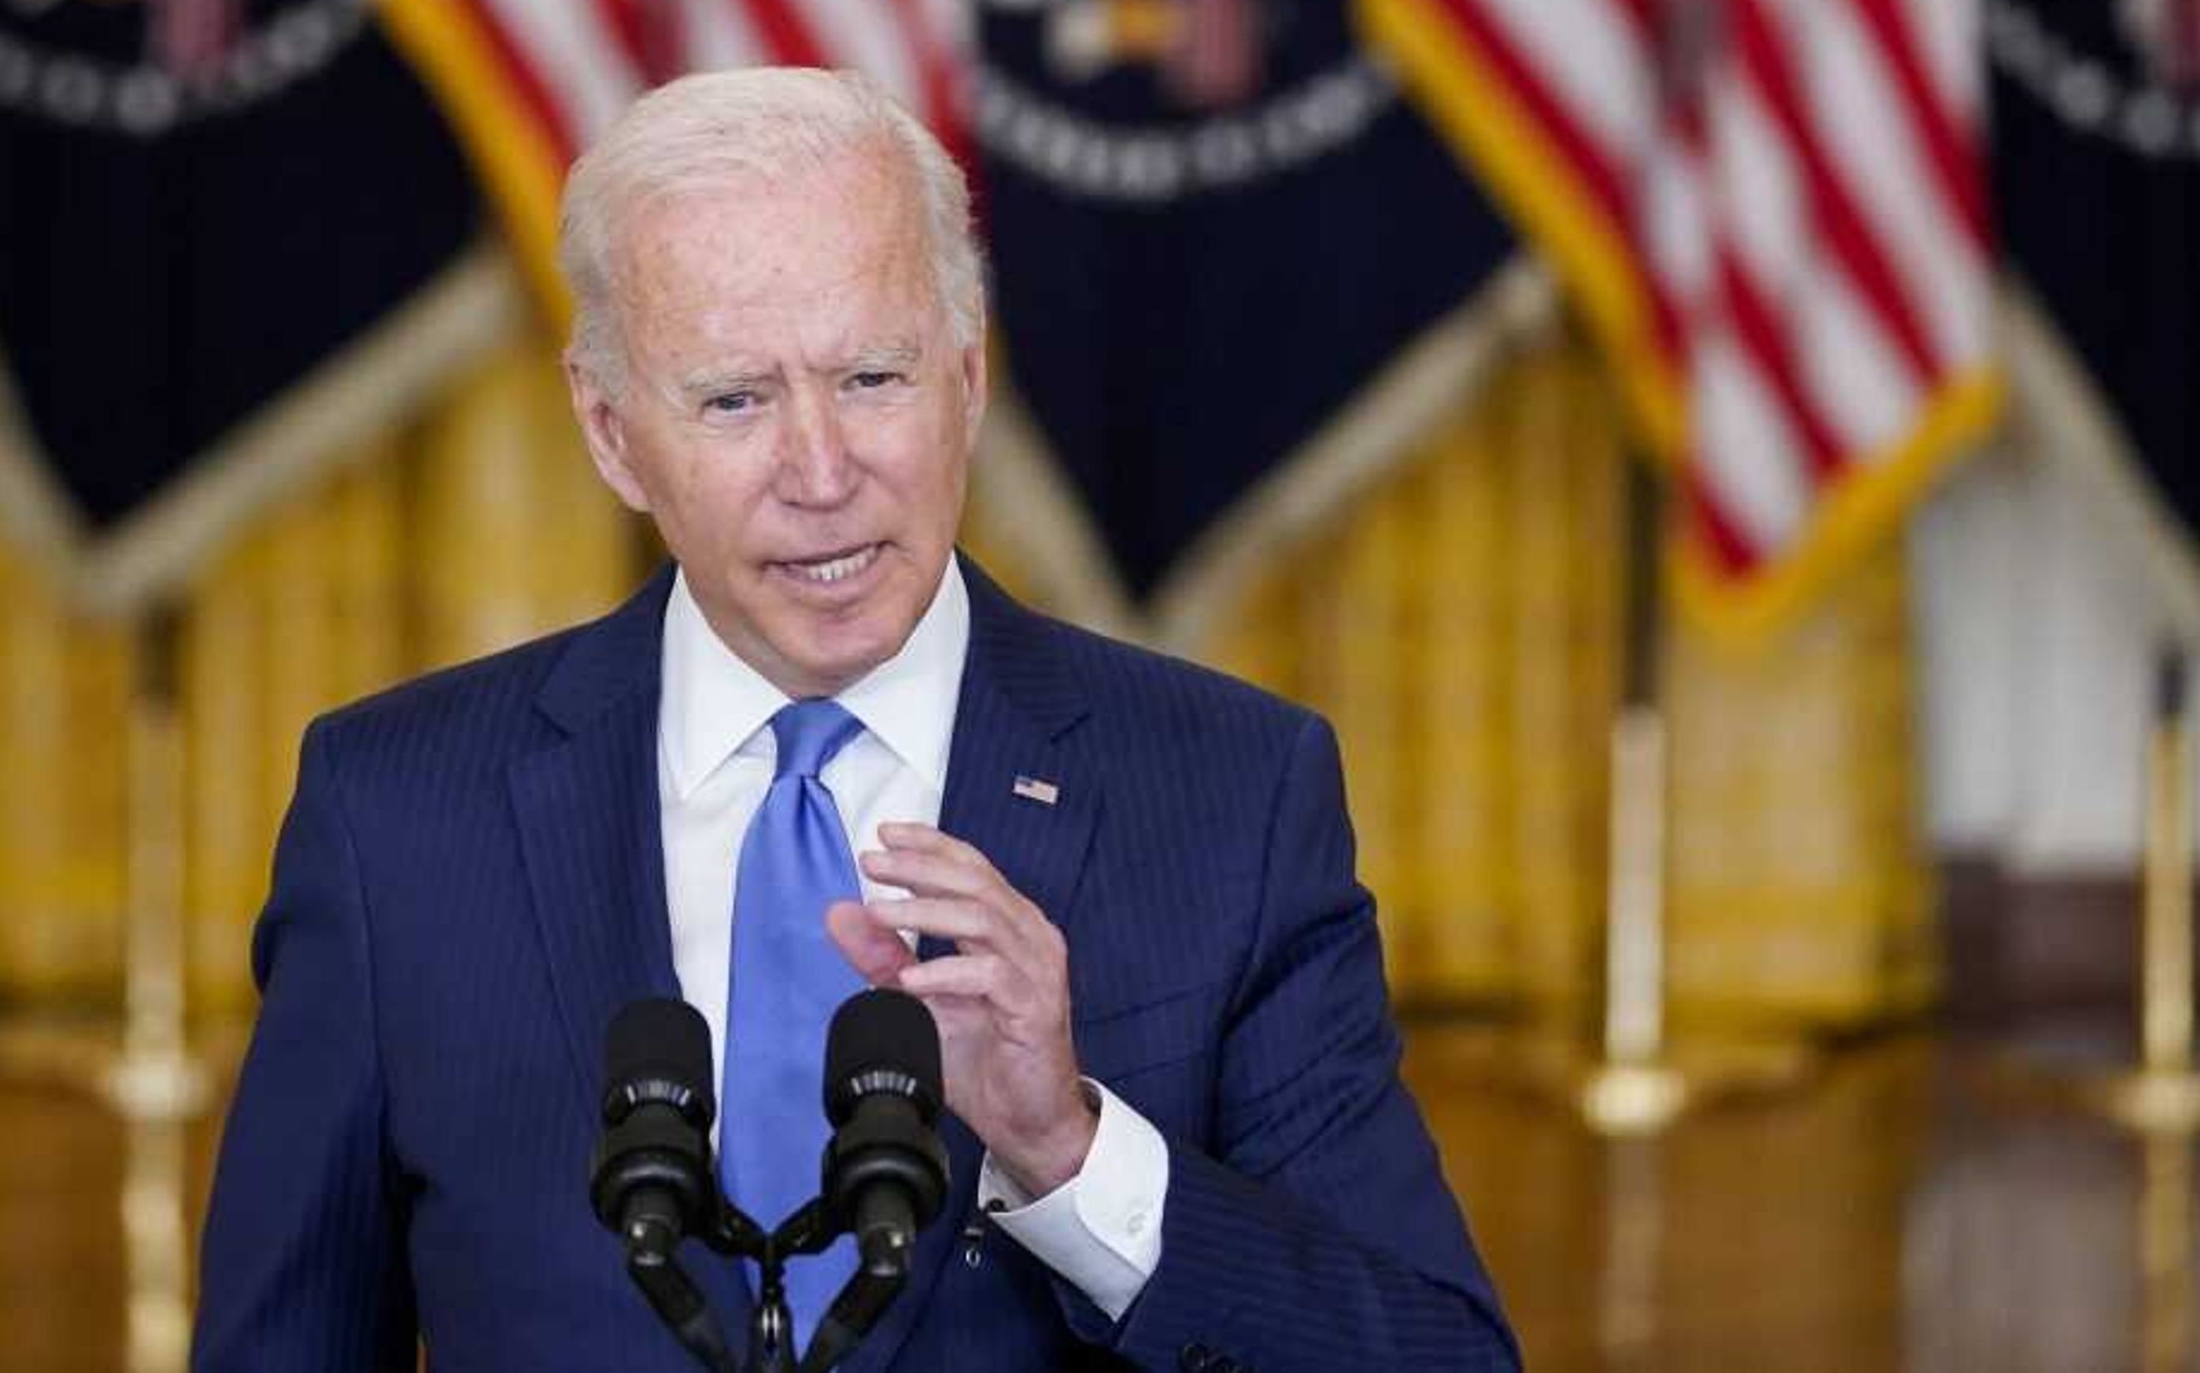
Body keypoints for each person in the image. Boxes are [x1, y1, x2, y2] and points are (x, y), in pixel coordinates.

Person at [194, 68, 1519, 1372]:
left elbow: (1440, 1356)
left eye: (873, 377)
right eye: (735, 400)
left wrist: (1069, 1150)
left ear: (968, 374)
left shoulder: (1233, 795)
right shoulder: (397, 818)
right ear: (609, 431)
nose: (822, 473)